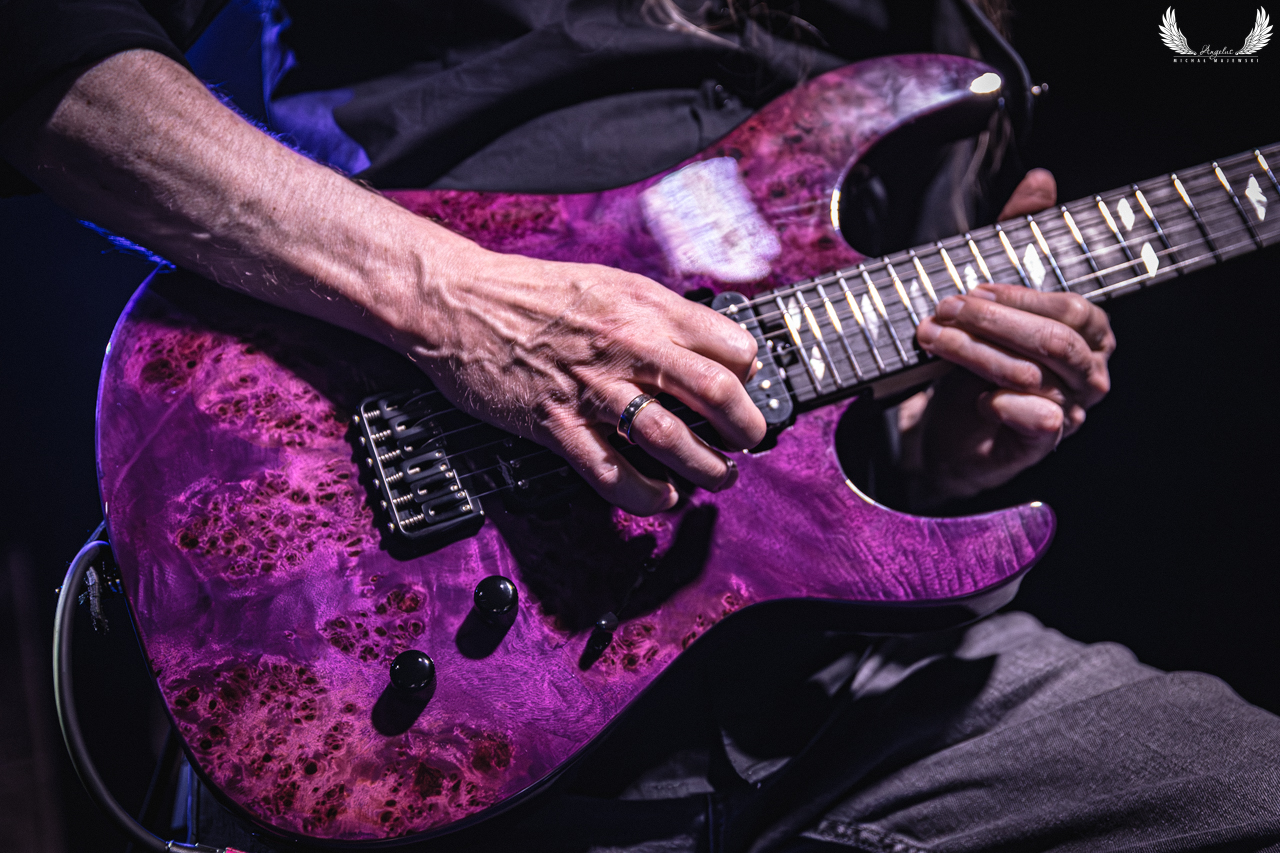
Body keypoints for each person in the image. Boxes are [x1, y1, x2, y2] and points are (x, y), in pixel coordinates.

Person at [2, 1, 1277, 850]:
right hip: (415, 650)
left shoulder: (950, 33)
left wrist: (932, 451)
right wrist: (453, 301)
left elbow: (801, 350)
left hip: (827, 682)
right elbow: (43, 54)